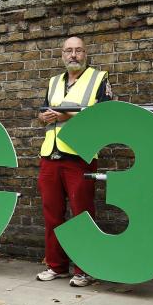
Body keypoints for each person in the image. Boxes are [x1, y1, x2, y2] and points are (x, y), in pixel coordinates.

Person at [36, 36, 112, 287]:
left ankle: (85, 268)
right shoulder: (53, 81)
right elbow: (42, 110)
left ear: (86, 53)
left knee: (82, 215)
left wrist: (67, 115)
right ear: (62, 54)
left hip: (80, 156)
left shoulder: (99, 79)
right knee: (52, 213)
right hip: (50, 155)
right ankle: (56, 266)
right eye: (69, 51)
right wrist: (44, 116)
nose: (73, 55)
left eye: (78, 50)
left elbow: (106, 115)